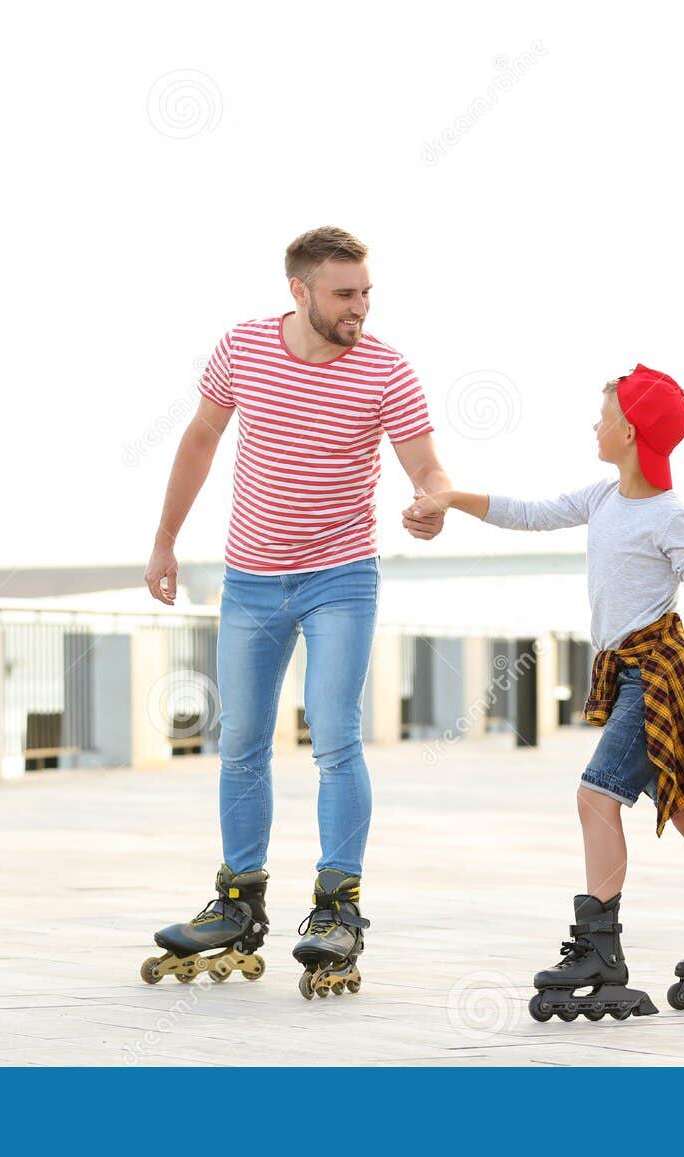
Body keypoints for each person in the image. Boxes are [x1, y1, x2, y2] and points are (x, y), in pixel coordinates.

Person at [407, 365, 684, 1021]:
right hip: (630, 673)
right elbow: (529, 514)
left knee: (597, 794)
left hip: (660, 675)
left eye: (602, 413)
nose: (593, 423)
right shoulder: (603, 496)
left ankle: (599, 949)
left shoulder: (673, 516)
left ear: (628, 430)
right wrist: (452, 499)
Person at [139, 226, 452, 1000]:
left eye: (367, 293)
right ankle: (238, 901)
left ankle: (337, 904)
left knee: (334, 734)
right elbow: (203, 436)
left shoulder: (387, 369)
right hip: (249, 579)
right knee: (241, 740)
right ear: (300, 291)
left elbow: (426, 465)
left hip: (341, 576)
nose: (360, 308)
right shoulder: (243, 348)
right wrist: (165, 540)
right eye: (345, 294)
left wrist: (431, 504)